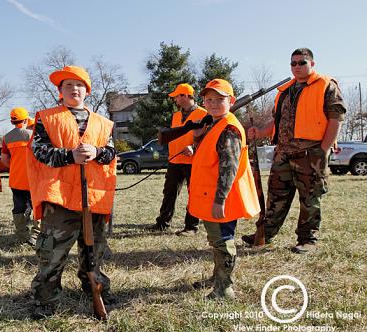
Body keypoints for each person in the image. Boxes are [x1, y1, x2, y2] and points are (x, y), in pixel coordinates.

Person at [26, 65, 117, 319]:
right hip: (61, 199)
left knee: (94, 252)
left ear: (86, 91)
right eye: (68, 85)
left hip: (94, 198)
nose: (74, 89)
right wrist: (70, 155)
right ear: (60, 91)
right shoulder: (47, 118)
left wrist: (97, 153)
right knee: (52, 254)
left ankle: (96, 289)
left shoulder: (103, 123)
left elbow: (111, 153)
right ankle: (45, 299)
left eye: (79, 85)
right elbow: (39, 151)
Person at [241, 48, 346, 254]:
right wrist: (260, 132)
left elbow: (336, 119)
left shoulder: (326, 85)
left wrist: (323, 150)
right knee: (275, 196)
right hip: (283, 153)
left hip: (310, 153)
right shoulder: (285, 90)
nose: (297, 67)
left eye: (302, 63)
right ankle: (265, 234)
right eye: (293, 63)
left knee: (309, 199)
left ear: (312, 64)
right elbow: (277, 121)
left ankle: (308, 240)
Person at [188, 79, 260, 299]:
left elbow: (229, 168)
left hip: (219, 198)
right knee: (216, 239)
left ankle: (224, 289)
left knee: (222, 241)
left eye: (220, 99)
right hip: (212, 195)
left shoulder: (228, 128)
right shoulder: (216, 124)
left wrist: (220, 200)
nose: (213, 103)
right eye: (209, 99)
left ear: (232, 101)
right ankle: (217, 277)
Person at [147, 83, 207, 236]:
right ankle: (163, 223)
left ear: (186, 96)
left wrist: (193, 147)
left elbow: (206, 138)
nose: (175, 100)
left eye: (177, 96)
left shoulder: (203, 113)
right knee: (169, 192)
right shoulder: (175, 116)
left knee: (194, 194)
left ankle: (191, 227)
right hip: (174, 161)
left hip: (193, 161)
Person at [1, 107, 39, 246]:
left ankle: (23, 236)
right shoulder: (33, 135)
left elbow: (4, 161)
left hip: (16, 180)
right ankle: (35, 236)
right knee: (37, 208)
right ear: (25, 120)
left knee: (18, 208)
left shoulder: (7, 138)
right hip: (33, 179)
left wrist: (16, 166)